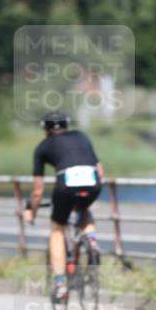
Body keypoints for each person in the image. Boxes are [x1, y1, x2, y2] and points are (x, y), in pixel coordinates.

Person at [22, 112, 104, 300]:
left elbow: (37, 191)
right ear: (67, 125)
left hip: (66, 185)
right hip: (93, 182)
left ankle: (60, 284)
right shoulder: (81, 136)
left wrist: (31, 212)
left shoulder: (42, 147)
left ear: (45, 128)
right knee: (83, 209)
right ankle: (91, 239)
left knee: (58, 229)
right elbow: (100, 170)